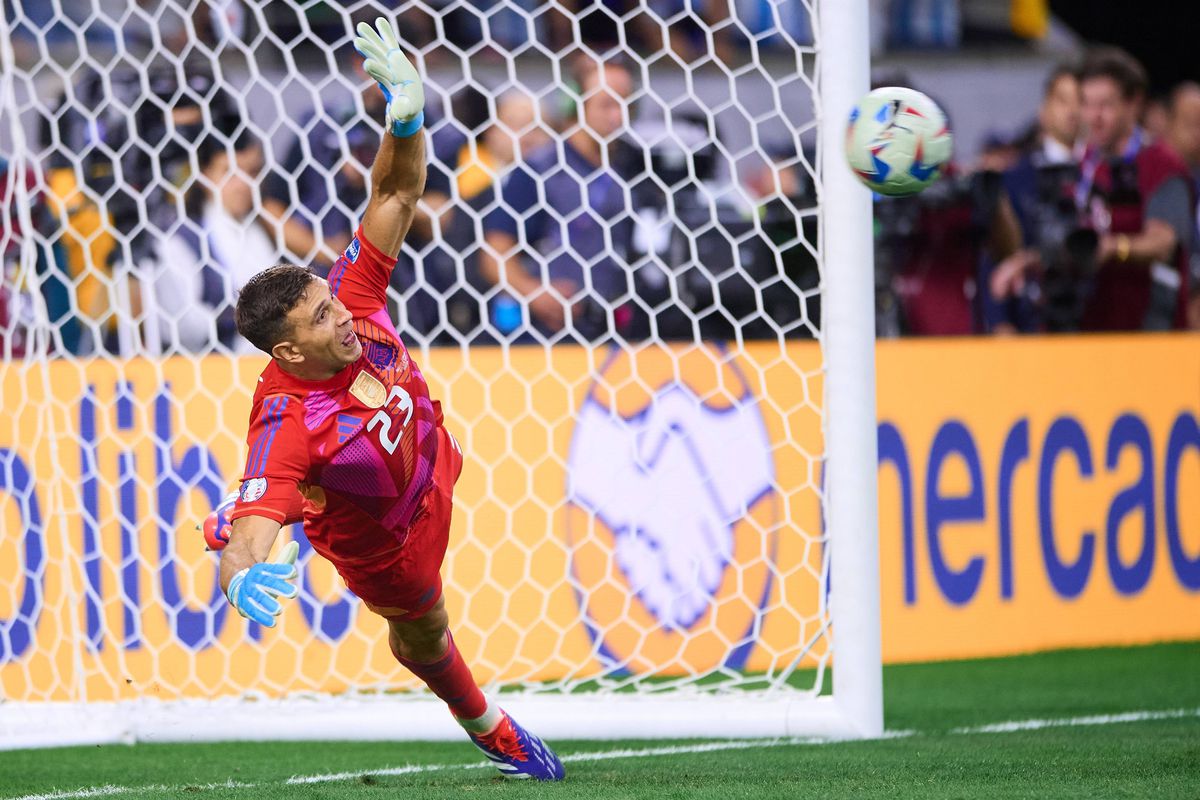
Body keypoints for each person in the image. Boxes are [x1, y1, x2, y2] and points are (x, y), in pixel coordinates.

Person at [206, 18, 565, 781]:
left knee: (285, 502)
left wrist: (406, 119)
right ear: (287, 352)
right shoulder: (288, 425)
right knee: (423, 633)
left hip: (431, 457)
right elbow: (253, 539)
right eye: (322, 319)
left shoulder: (350, 298)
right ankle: (488, 724)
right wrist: (239, 569)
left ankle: (264, 504)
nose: (345, 318)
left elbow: (397, 190)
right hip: (386, 539)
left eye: (331, 303)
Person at [481, 56, 639, 340]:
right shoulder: (540, 169)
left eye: (625, 103)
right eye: (607, 104)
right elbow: (494, 254)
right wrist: (535, 294)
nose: (618, 116)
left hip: (613, 335)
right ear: (575, 104)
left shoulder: (633, 167)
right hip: (545, 337)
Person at [152, 130, 277, 354]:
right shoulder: (181, 240)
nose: (243, 184)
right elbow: (179, 327)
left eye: (252, 172)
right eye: (229, 173)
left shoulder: (261, 232)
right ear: (206, 175)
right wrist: (239, 319)